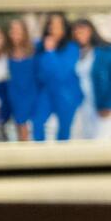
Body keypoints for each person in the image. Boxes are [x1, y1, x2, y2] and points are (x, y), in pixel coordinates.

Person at [69, 19, 111, 141]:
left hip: (107, 106)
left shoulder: (109, 50)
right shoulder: (76, 53)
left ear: (91, 31)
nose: (79, 35)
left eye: (82, 31)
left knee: (101, 142)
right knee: (89, 142)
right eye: (76, 32)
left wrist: (110, 105)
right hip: (86, 106)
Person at [34, 12, 84, 142]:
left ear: (64, 29)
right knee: (37, 124)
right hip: (47, 92)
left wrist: (50, 52)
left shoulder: (72, 47)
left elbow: (61, 73)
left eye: (57, 25)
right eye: (50, 24)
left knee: (63, 131)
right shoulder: (40, 46)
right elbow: (39, 73)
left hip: (67, 94)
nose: (52, 28)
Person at [1, 19, 37, 141]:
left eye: (18, 30)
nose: (15, 33)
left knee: (32, 128)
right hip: (15, 94)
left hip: (31, 92)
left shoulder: (34, 48)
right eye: (12, 30)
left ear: (24, 32)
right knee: (20, 127)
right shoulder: (7, 51)